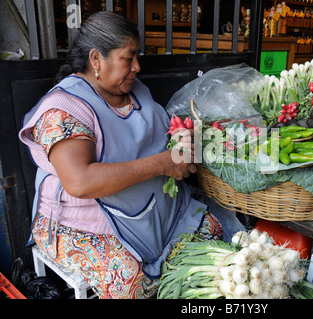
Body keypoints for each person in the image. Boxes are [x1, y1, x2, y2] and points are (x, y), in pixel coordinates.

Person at [19, 11, 244, 299]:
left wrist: (181, 142)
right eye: (129, 57)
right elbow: (80, 182)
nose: (137, 66)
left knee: (211, 229)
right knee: (132, 283)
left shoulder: (135, 91)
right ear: (96, 59)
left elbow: (159, 135)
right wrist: (164, 163)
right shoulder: (63, 109)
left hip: (155, 208)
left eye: (138, 56)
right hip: (84, 221)